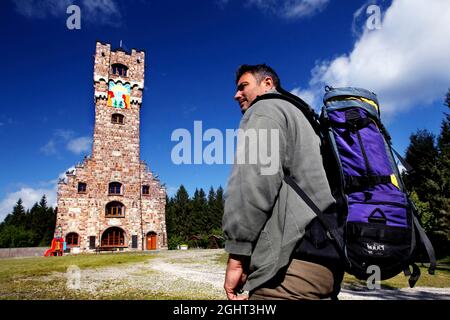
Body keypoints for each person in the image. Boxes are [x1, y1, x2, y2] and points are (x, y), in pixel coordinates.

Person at [222, 64, 344, 300]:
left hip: (289, 271)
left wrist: (237, 257)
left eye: (243, 86)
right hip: (327, 264)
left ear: (267, 84)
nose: (236, 94)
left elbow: (251, 186)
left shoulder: (265, 109)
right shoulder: (307, 121)